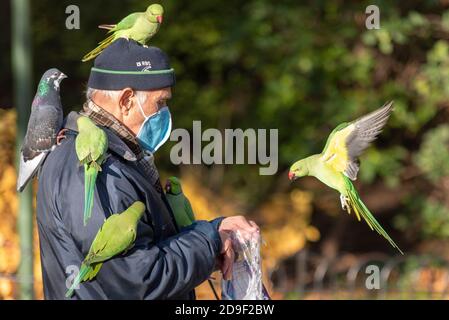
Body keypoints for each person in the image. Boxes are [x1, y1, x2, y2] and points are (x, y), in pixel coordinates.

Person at [36, 39, 259, 299]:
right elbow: (137, 280)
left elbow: (149, 250)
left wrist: (214, 232)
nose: (165, 113)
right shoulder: (99, 169)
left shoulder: (118, 159)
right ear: (127, 100)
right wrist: (209, 241)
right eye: (161, 103)